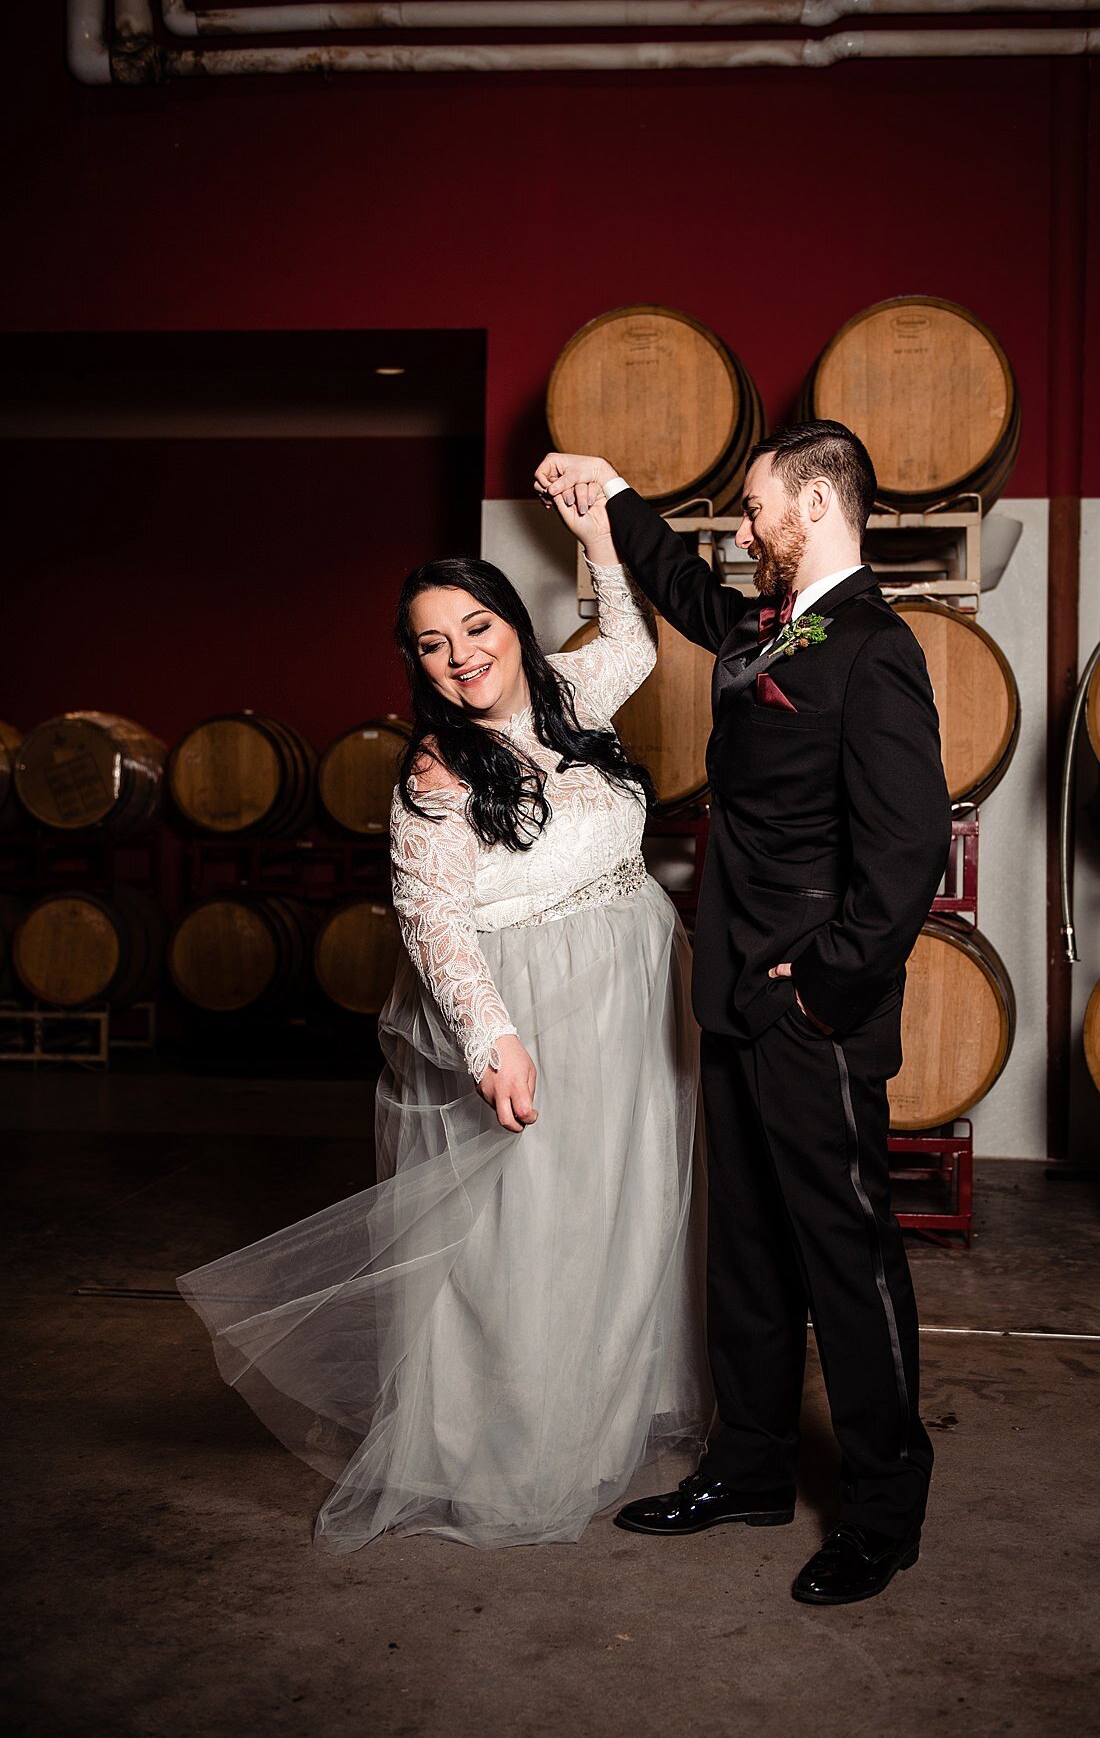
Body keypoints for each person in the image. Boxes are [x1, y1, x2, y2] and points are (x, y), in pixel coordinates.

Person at [177, 532, 710, 1551]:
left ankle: (606, 1407)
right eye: (431, 645)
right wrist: (492, 1041)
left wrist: (599, 539)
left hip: (637, 990)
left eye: (476, 626)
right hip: (542, 1008)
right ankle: (500, 1443)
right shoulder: (436, 772)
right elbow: (432, 925)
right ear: (415, 664)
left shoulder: (568, 693)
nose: (461, 654)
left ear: (513, 623)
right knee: (528, 1228)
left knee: (629, 1200)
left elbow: (635, 644)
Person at [535, 422, 951, 1605]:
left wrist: (818, 983)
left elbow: (908, 845)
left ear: (816, 506)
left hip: (811, 1006)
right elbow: (678, 585)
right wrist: (609, 495)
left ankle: (881, 1508)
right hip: (734, 992)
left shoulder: (873, 647)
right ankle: (753, 1465)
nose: (744, 527)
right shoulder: (775, 623)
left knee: (846, 1254)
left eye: (759, 506)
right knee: (751, 1248)